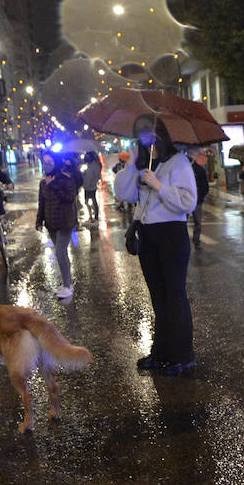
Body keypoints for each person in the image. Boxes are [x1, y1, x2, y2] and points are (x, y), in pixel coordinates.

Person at [114, 120, 197, 376]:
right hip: (148, 234)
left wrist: (159, 185)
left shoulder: (178, 163)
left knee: (174, 296)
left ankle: (182, 356)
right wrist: (133, 163)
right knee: (158, 298)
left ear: (161, 136)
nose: (145, 140)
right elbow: (124, 194)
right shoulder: (147, 164)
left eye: (149, 135)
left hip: (171, 234)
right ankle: (160, 352)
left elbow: (188, 201)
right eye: (141, 136)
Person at [36, 153, 79, 300]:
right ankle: (67, 283)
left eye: (49, 161)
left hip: (65, 223)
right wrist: (39, 221)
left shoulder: (66, 180)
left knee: (60, 253)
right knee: (62, 254)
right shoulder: (43, 183)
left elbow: (70, 199)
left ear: (56, 163)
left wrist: (53, 186)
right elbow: (42, 203)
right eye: (44, 162)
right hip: (51, 223)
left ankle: (67, 286)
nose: (46, 164)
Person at [189, 148, 211, 245]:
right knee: (182, 221)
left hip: (197, 200)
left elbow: (205, 186)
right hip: (184, 199)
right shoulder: (182, 169)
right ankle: (183, 240)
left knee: (197, 221)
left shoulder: (199, 170)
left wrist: (200, 195)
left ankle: (196, 239)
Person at [80, 151, 103, 222]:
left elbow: (96, 176)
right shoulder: (90, 165)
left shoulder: (95, 165)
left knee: (92, 200)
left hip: (91, 186)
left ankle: (95, 216)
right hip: (87, 186)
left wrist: (91, 182)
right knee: (88, 201)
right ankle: (91, 216)